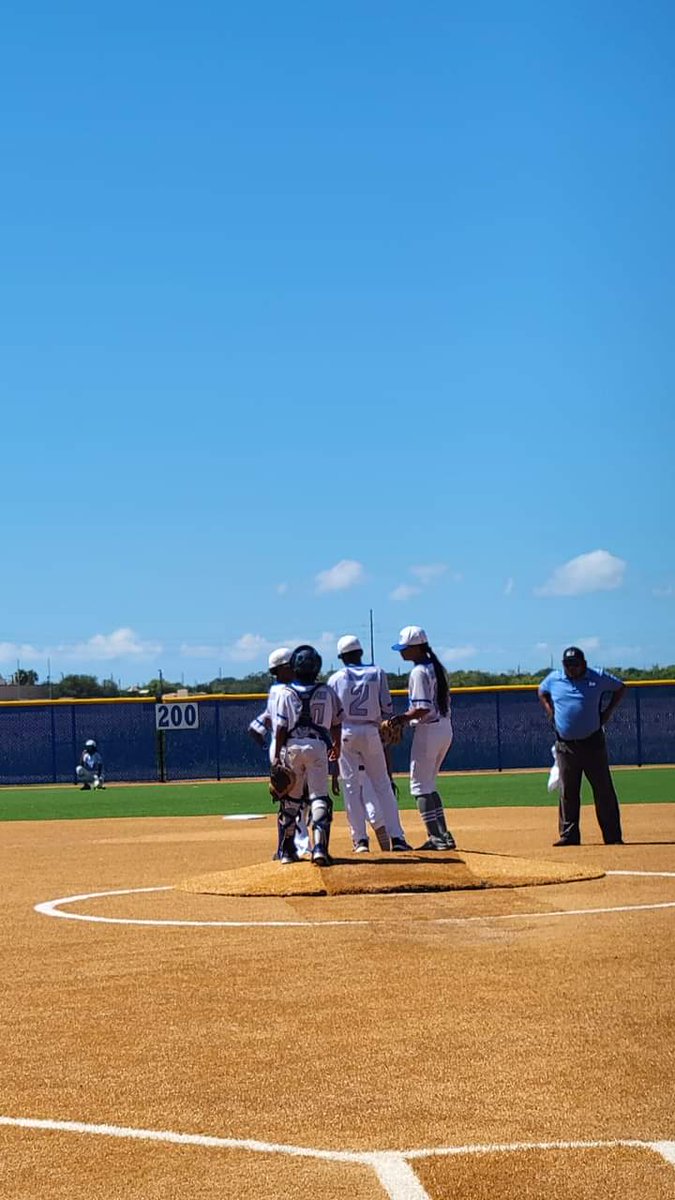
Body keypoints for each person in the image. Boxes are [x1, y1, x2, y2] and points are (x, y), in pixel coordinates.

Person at [328, 634, 410, 852]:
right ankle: (398, 838)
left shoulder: (335, 678)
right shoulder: (377, 672)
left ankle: (360, 841)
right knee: (383, 785)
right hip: (372, 731)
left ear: (341, 657)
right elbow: (387, 710)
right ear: (361, 653)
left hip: (346, 731)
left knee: (351, 788)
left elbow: (331, 715)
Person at [538, 646, 626, 846]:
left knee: (603, 789)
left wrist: (608, 711)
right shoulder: (554, 679)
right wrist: (549, 710)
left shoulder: (597, 676)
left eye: (575, 664)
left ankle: (612, 836)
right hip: (566, 745)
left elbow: (620, 687)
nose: (572, 668)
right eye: (568, 664)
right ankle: (569, 835)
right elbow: (541, 690)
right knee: (569, 791)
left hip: (592, 742)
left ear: (583, 663)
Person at [271, 644, 342, 866]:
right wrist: (337, 746)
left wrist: (277, 756)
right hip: (318, 746)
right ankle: (319, 849)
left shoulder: (285, 692)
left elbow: (281, 728)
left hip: (292, 747)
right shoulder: (327, 691)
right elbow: (337, 723)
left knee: (291, 799)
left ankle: (286, 851)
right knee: (319, 797)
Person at [390, 625, 455, 850]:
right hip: (444, 728)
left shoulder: (418, 672)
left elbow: (421, 709)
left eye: (405, 648)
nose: (402, 652)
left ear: (417, 648)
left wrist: (399, 720)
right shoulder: (437, 668)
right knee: (428, 784)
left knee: (419, 786)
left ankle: (437, 838)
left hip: (429, 730)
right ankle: (444, 836)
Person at [248, 647, 311, 859]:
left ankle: (284, 847)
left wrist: (269, 747)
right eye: (291, 665)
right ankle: (298, 847)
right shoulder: (288, 691)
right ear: (282, 669)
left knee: (289, 800)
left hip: (280, 745)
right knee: (297, 800)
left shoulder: (276, 690)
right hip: (288, 745)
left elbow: (257, 727)